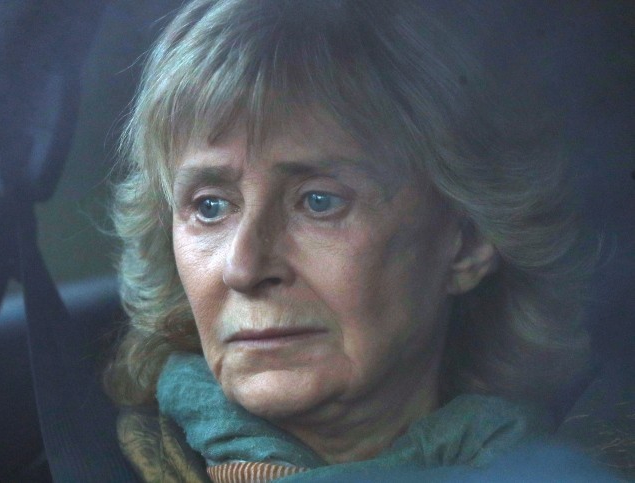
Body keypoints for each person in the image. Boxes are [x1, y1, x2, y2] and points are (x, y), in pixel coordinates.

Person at [103, 0, 612, 480]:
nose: (244, 267)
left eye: (318, 201)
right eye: (210, 207)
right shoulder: (90, 463)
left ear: (467, 241)